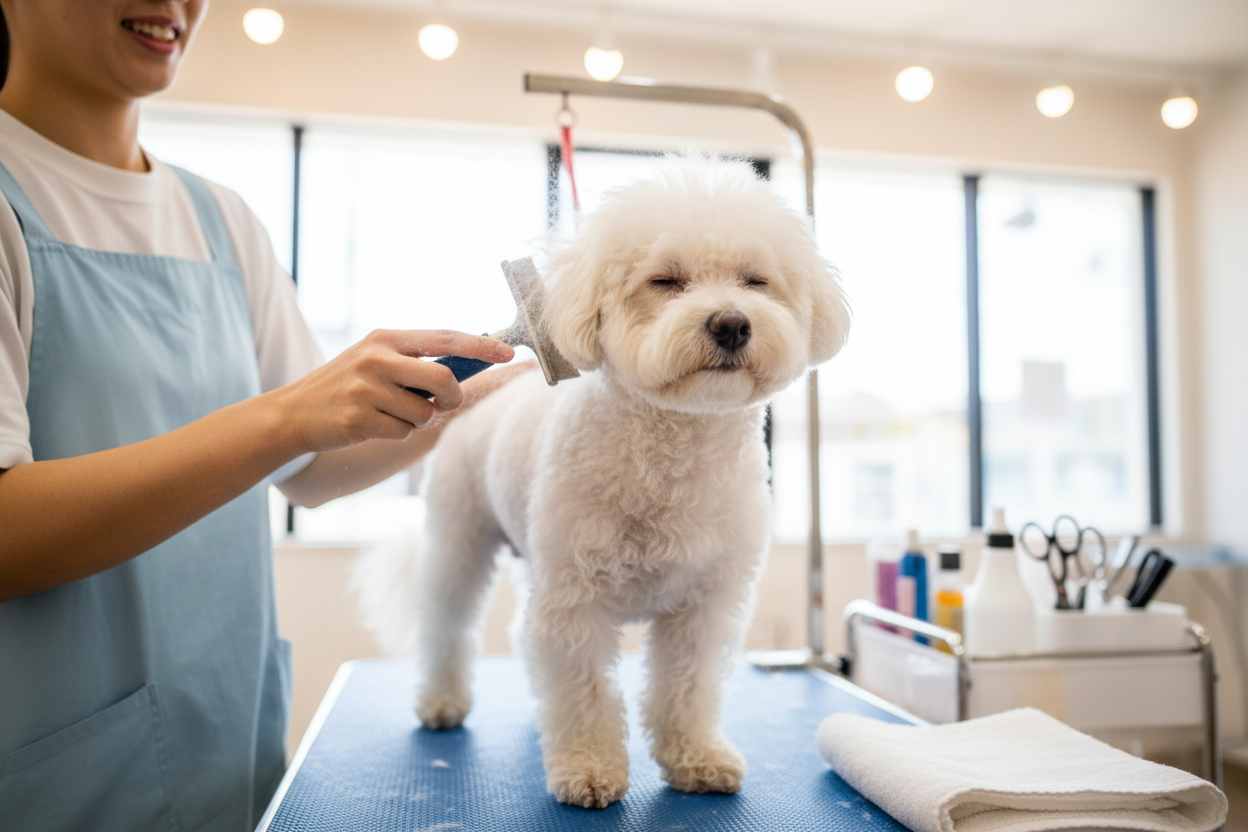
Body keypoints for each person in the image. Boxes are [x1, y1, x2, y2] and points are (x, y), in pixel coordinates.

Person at [0, 2, 527, 830]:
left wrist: (502, 387)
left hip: (229, 750)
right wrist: (285, 418)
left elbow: (311, 469)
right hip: (53, 781)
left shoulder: (222, 222)